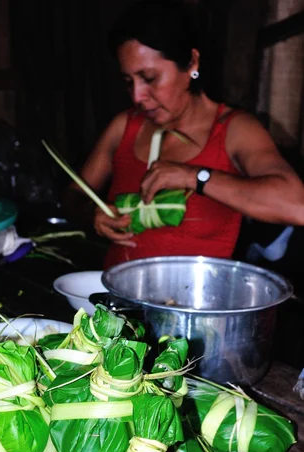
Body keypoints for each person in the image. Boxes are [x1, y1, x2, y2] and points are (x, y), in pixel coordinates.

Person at [62, 0, 304, 269]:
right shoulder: (125, 126)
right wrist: (92, 214)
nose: (137, 96)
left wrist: (194, 176)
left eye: (150, 78)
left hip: (197, 304)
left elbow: (296, 206)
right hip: (119, 302)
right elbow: (74, 197)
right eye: (128, 81)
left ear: (191, 63)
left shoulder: (233, 130)